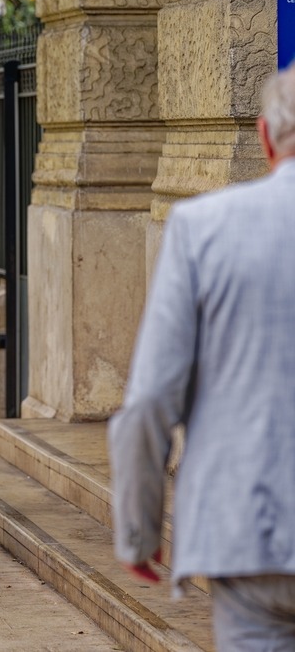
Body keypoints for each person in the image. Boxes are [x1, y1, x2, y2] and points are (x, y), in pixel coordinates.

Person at [108, 66, 295, 649]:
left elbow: (149, 402)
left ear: (266, 138)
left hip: (248, 530)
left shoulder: (203, 227)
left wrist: (139, 531)